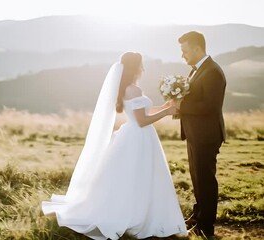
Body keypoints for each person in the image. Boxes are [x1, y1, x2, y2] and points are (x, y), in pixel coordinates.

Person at [42, 52, 187, 239]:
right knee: (137, 175)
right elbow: (142, 120)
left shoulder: (130, 88)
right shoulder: (132, 90)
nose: (143, 69)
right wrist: (168, 112)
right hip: (138, 136)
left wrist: (163, 107)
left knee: (136, 175)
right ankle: (135, 214)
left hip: (137, 136)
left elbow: (143, 111)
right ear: (135, 67)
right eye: (141, 65)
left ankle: (141, 211)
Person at [174, 31, 226, 238]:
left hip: (206, 135)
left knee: (205, 180)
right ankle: (198, 215)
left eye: (185, 51)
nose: (183, 55)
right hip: (195, 134)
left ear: (197, 48)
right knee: (197, 178)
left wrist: (182, 105)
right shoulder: (197, 70)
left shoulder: (212, 71)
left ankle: (206, 227)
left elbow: (209, 106)